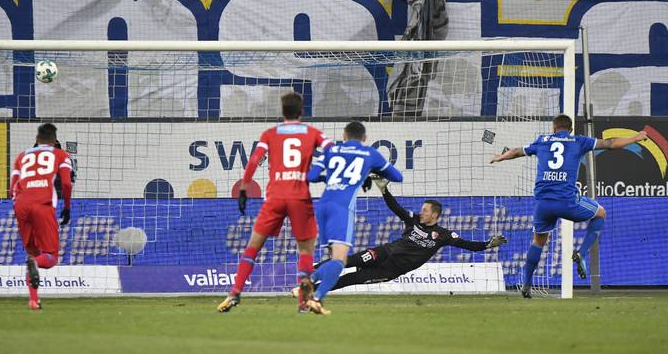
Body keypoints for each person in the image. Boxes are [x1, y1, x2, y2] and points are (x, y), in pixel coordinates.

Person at [490, 114, 647, 298]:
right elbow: (610, 143)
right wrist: (635, 138)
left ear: (553, 128)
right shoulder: (578, 141)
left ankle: (525, 285)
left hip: (544, 204)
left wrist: (500, 157)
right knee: (601, 213)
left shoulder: (542, 141)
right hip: (567, 202)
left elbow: (516, 151)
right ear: (570, 129)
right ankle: (580, 254)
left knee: (538, 242)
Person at [217, 92, 332, 313]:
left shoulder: (270, 133)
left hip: (275, 197)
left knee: (252, 248)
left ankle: (234, 293)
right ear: (301, 111)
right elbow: (331, 150)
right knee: (305, 250)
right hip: (300, 197)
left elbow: (254, 159)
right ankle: (303, 303)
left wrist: (243, 188)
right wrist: (322, 171)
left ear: (282, 112)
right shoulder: (313, 132)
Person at [298, 175, 507, 294]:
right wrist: (384, 190)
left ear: (434, 214)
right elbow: (396, 208)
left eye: (425, 210)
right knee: (347, 260)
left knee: (350, 279)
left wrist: (488, 244)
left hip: (391, 270)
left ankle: (309, 291)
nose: (421, 212)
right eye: (422, 209)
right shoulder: (413, 220)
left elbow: (468, 245)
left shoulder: (443, 235)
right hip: (384, 253)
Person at [302, 121, 403, 315]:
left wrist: (329, 179)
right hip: (342, 208)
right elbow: (398, 177)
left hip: (323, 206)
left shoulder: (331, 150)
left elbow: (312, 176)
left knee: (334, 259)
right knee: (340, 261)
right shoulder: (370, 154)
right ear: (364, 139)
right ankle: (316, 297)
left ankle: (310, 282)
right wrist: (371, 171)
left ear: (344, 137)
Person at [10, 123, 73, 310]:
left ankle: (33, 300)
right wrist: (67, 207)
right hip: (42, 204)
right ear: (54, 141)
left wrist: (18, 204)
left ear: (37, 139)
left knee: (33, 252)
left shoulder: (21, 157)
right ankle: (34, 263)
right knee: (50, 257)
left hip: (21, 204)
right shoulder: (60, 154)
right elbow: (67, 184)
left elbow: (13, 187)